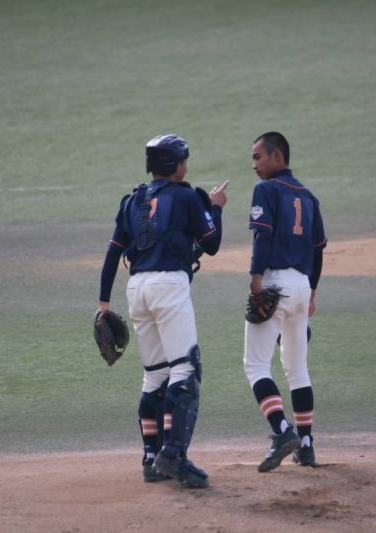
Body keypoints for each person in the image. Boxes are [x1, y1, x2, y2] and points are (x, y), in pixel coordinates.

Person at [98, 134, 229, 488]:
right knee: (186, 370)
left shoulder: (133, 200)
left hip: (136, 290)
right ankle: (174, 455)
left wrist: (103, 304)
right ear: (176, 166)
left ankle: (151, 457)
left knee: (155, 376)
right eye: (184, 160)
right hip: (168, 286)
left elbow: (113, 251)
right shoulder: (187, 197)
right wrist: (215, 207)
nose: (187, 165)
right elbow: (212, 244)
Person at [243, 131, 327, 472]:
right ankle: (306, 447)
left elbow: (262, 236)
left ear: (277, 156)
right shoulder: (308, 196)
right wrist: (312, 292)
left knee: (255, 365)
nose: (254, 165)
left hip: (274, 282)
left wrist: (255, 280)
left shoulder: (266, 189)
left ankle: (282, 432)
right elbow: (318, 251)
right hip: (302, 286)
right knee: (297, 369)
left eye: (258, 157)